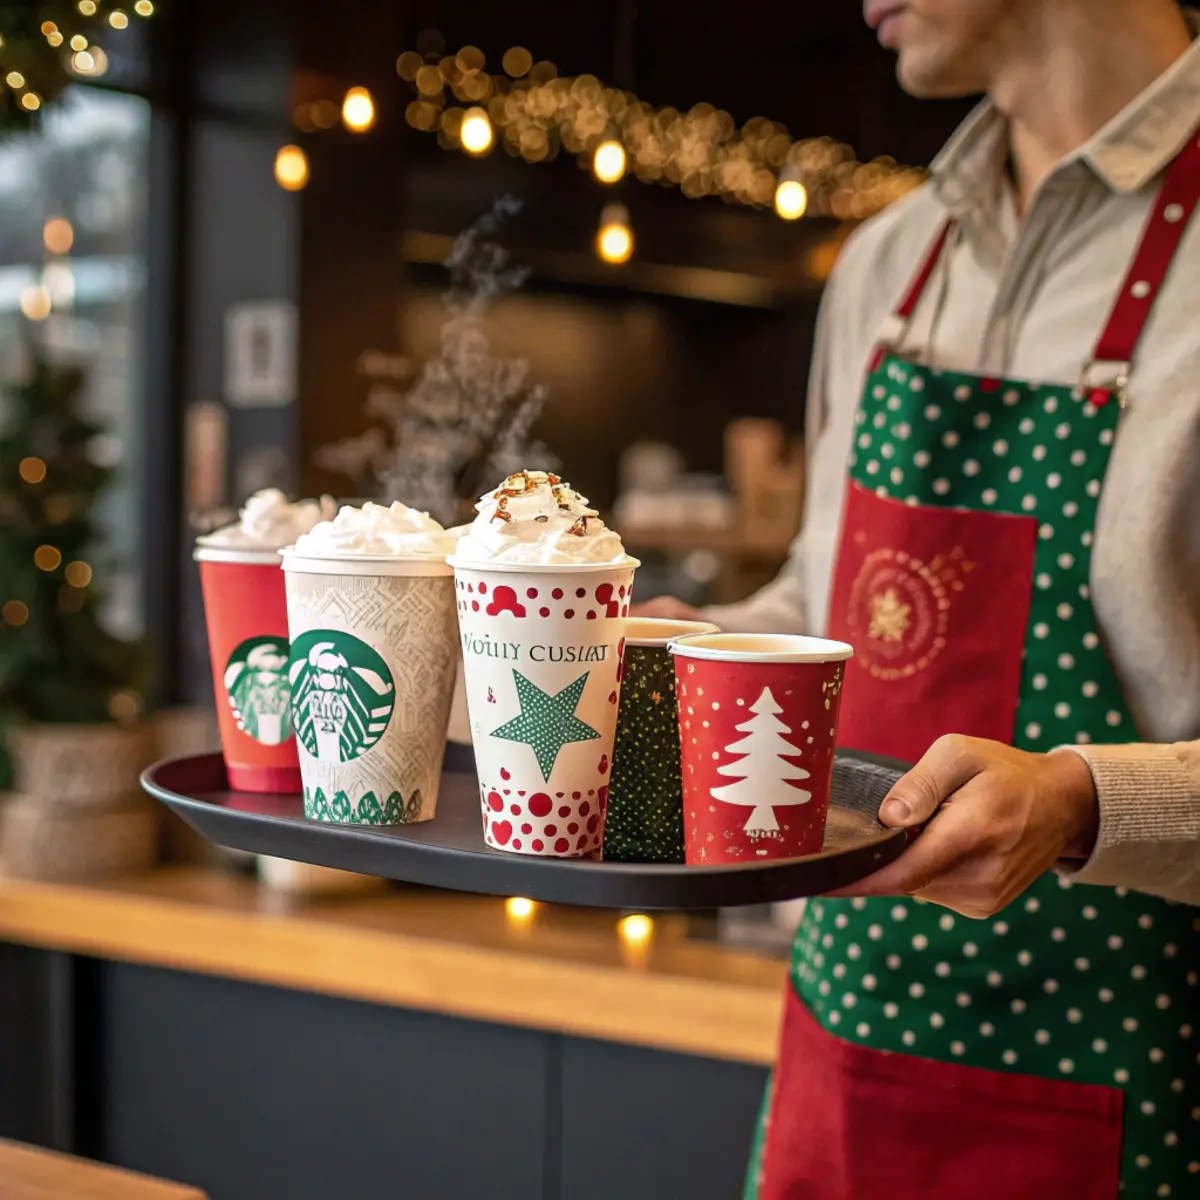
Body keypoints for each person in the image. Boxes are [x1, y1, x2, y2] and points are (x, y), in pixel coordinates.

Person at [637, 1, 1200, 1195]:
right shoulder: (888, 264)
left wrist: (1086, 801)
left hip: (1131, 1070)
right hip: (845, 1043)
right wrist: (602, 648)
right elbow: (821, 607)